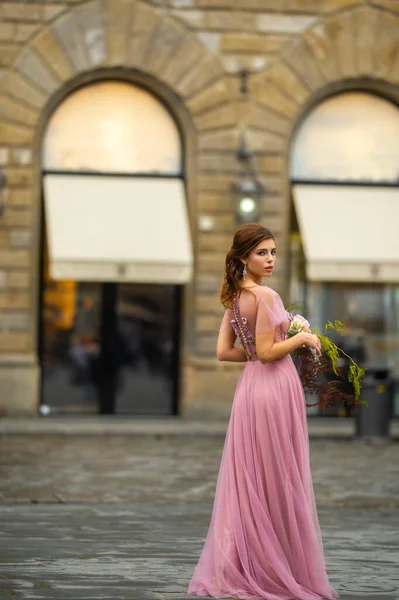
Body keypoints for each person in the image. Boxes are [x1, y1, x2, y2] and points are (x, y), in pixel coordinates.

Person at [188, 224, 338, 600]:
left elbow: (226, 352)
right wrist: (301, 337)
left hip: (251, 389)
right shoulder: (267, 296)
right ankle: (275, 569)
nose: (270, 259)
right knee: (278, 476)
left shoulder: (236, 298)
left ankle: (252, 563)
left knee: (255, 476)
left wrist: (262, 349)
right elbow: (270, 352)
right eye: (261, 253)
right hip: (273, 388)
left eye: (273, 252)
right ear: (243, 258)